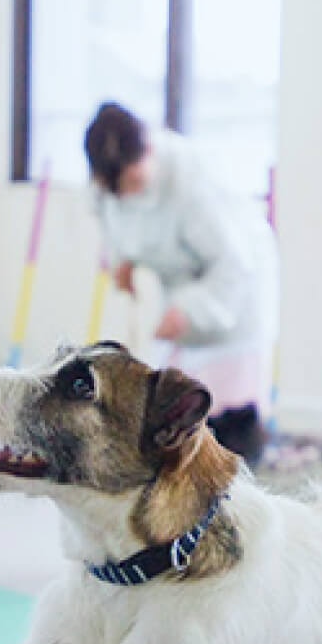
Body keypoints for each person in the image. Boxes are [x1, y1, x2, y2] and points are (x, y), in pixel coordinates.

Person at [82, 102, 279, 454]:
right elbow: (114, 218)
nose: (126, 195)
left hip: (232, 300)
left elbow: (233, 265)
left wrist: (190, 311)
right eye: (117, 190)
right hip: (179, 298)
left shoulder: (195, 185)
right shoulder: (106, 183)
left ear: (150, 152)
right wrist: (124, 258)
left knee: (225, 429)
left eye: (133, 183)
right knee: (173, 419)